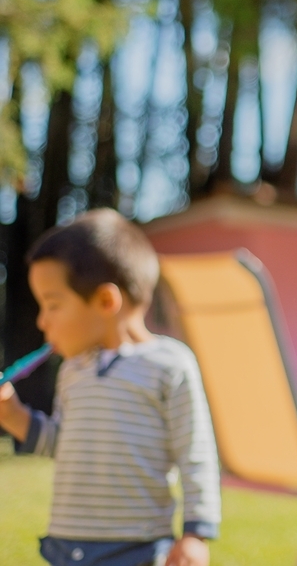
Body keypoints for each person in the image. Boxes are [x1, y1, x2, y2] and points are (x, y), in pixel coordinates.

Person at [0, 209, 221, 566]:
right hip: (67, 545)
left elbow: (196, 454)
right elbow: (63, 442)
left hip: (138, 548)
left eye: (52, 305)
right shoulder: (73, 370)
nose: (42, 321)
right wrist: (12, 415)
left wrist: (196, 534)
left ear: (106, 302)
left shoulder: (169, 365)